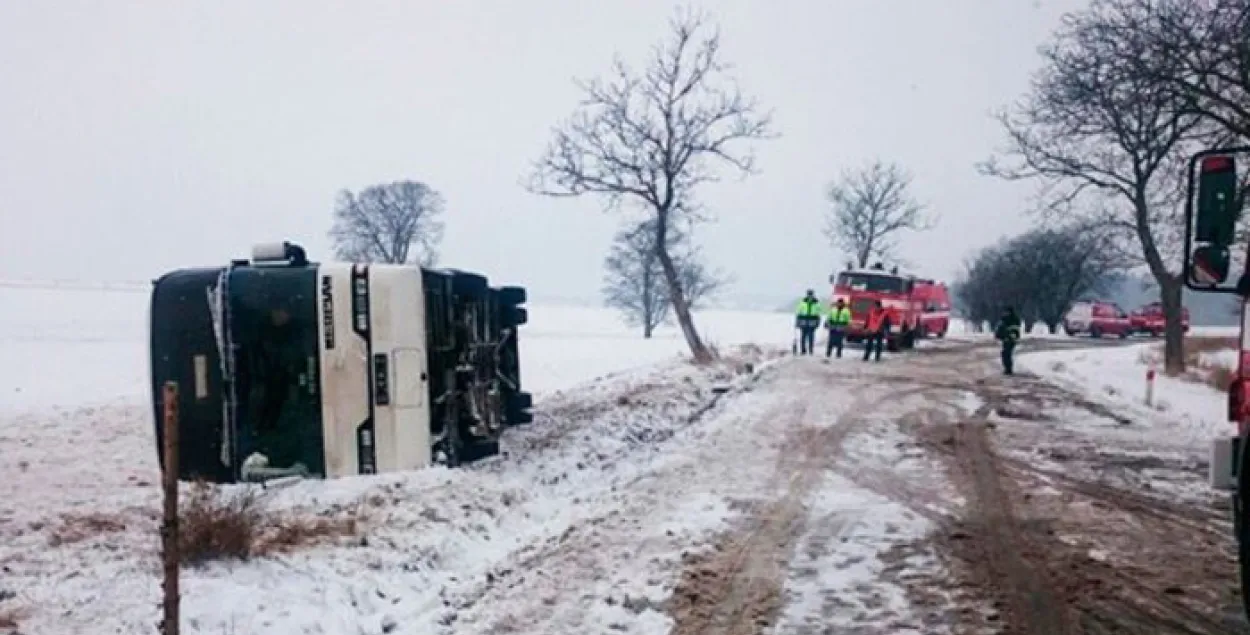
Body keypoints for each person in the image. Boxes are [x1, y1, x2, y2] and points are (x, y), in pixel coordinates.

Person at [994, 306, 1023, 375]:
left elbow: (1013, 330)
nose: (1005, 313)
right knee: (1006, 354)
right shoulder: (1009, 319)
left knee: (1006, 354)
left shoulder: (1011, 320)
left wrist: (1009, 337)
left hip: (1010, 339)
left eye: (1006, 312)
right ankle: (1008, 368)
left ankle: (1008, 369)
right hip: (1007, 338)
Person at [795, 289, 822, 355]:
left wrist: (818, 323)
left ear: (813, 295)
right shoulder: (802, 303)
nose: (810, 296)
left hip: (812, 322)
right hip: (803, 322)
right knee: (803, 337)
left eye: (811, 294)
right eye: (809, 294)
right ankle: (803, 350)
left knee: (811, 337)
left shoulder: (817, 303)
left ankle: (810, 350)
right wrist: (797, 322)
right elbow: (798, 313)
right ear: (807, 295)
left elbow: (818, 314)